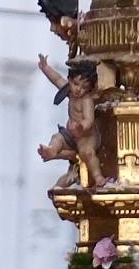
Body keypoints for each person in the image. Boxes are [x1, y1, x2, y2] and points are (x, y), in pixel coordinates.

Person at [37, 57, 106, 187]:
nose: (78, 89)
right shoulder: (70, 92)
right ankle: (52, 150)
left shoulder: (86, 101)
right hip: (71, 134)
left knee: (87, 153)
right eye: (75, 84)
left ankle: (98, 176)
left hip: (87, 136)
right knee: (57, 137)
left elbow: (89, 120)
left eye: (84, 87)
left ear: (90, 89)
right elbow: (57, 79)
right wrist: (45, 67)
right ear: (69, 80)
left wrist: (81, 127)